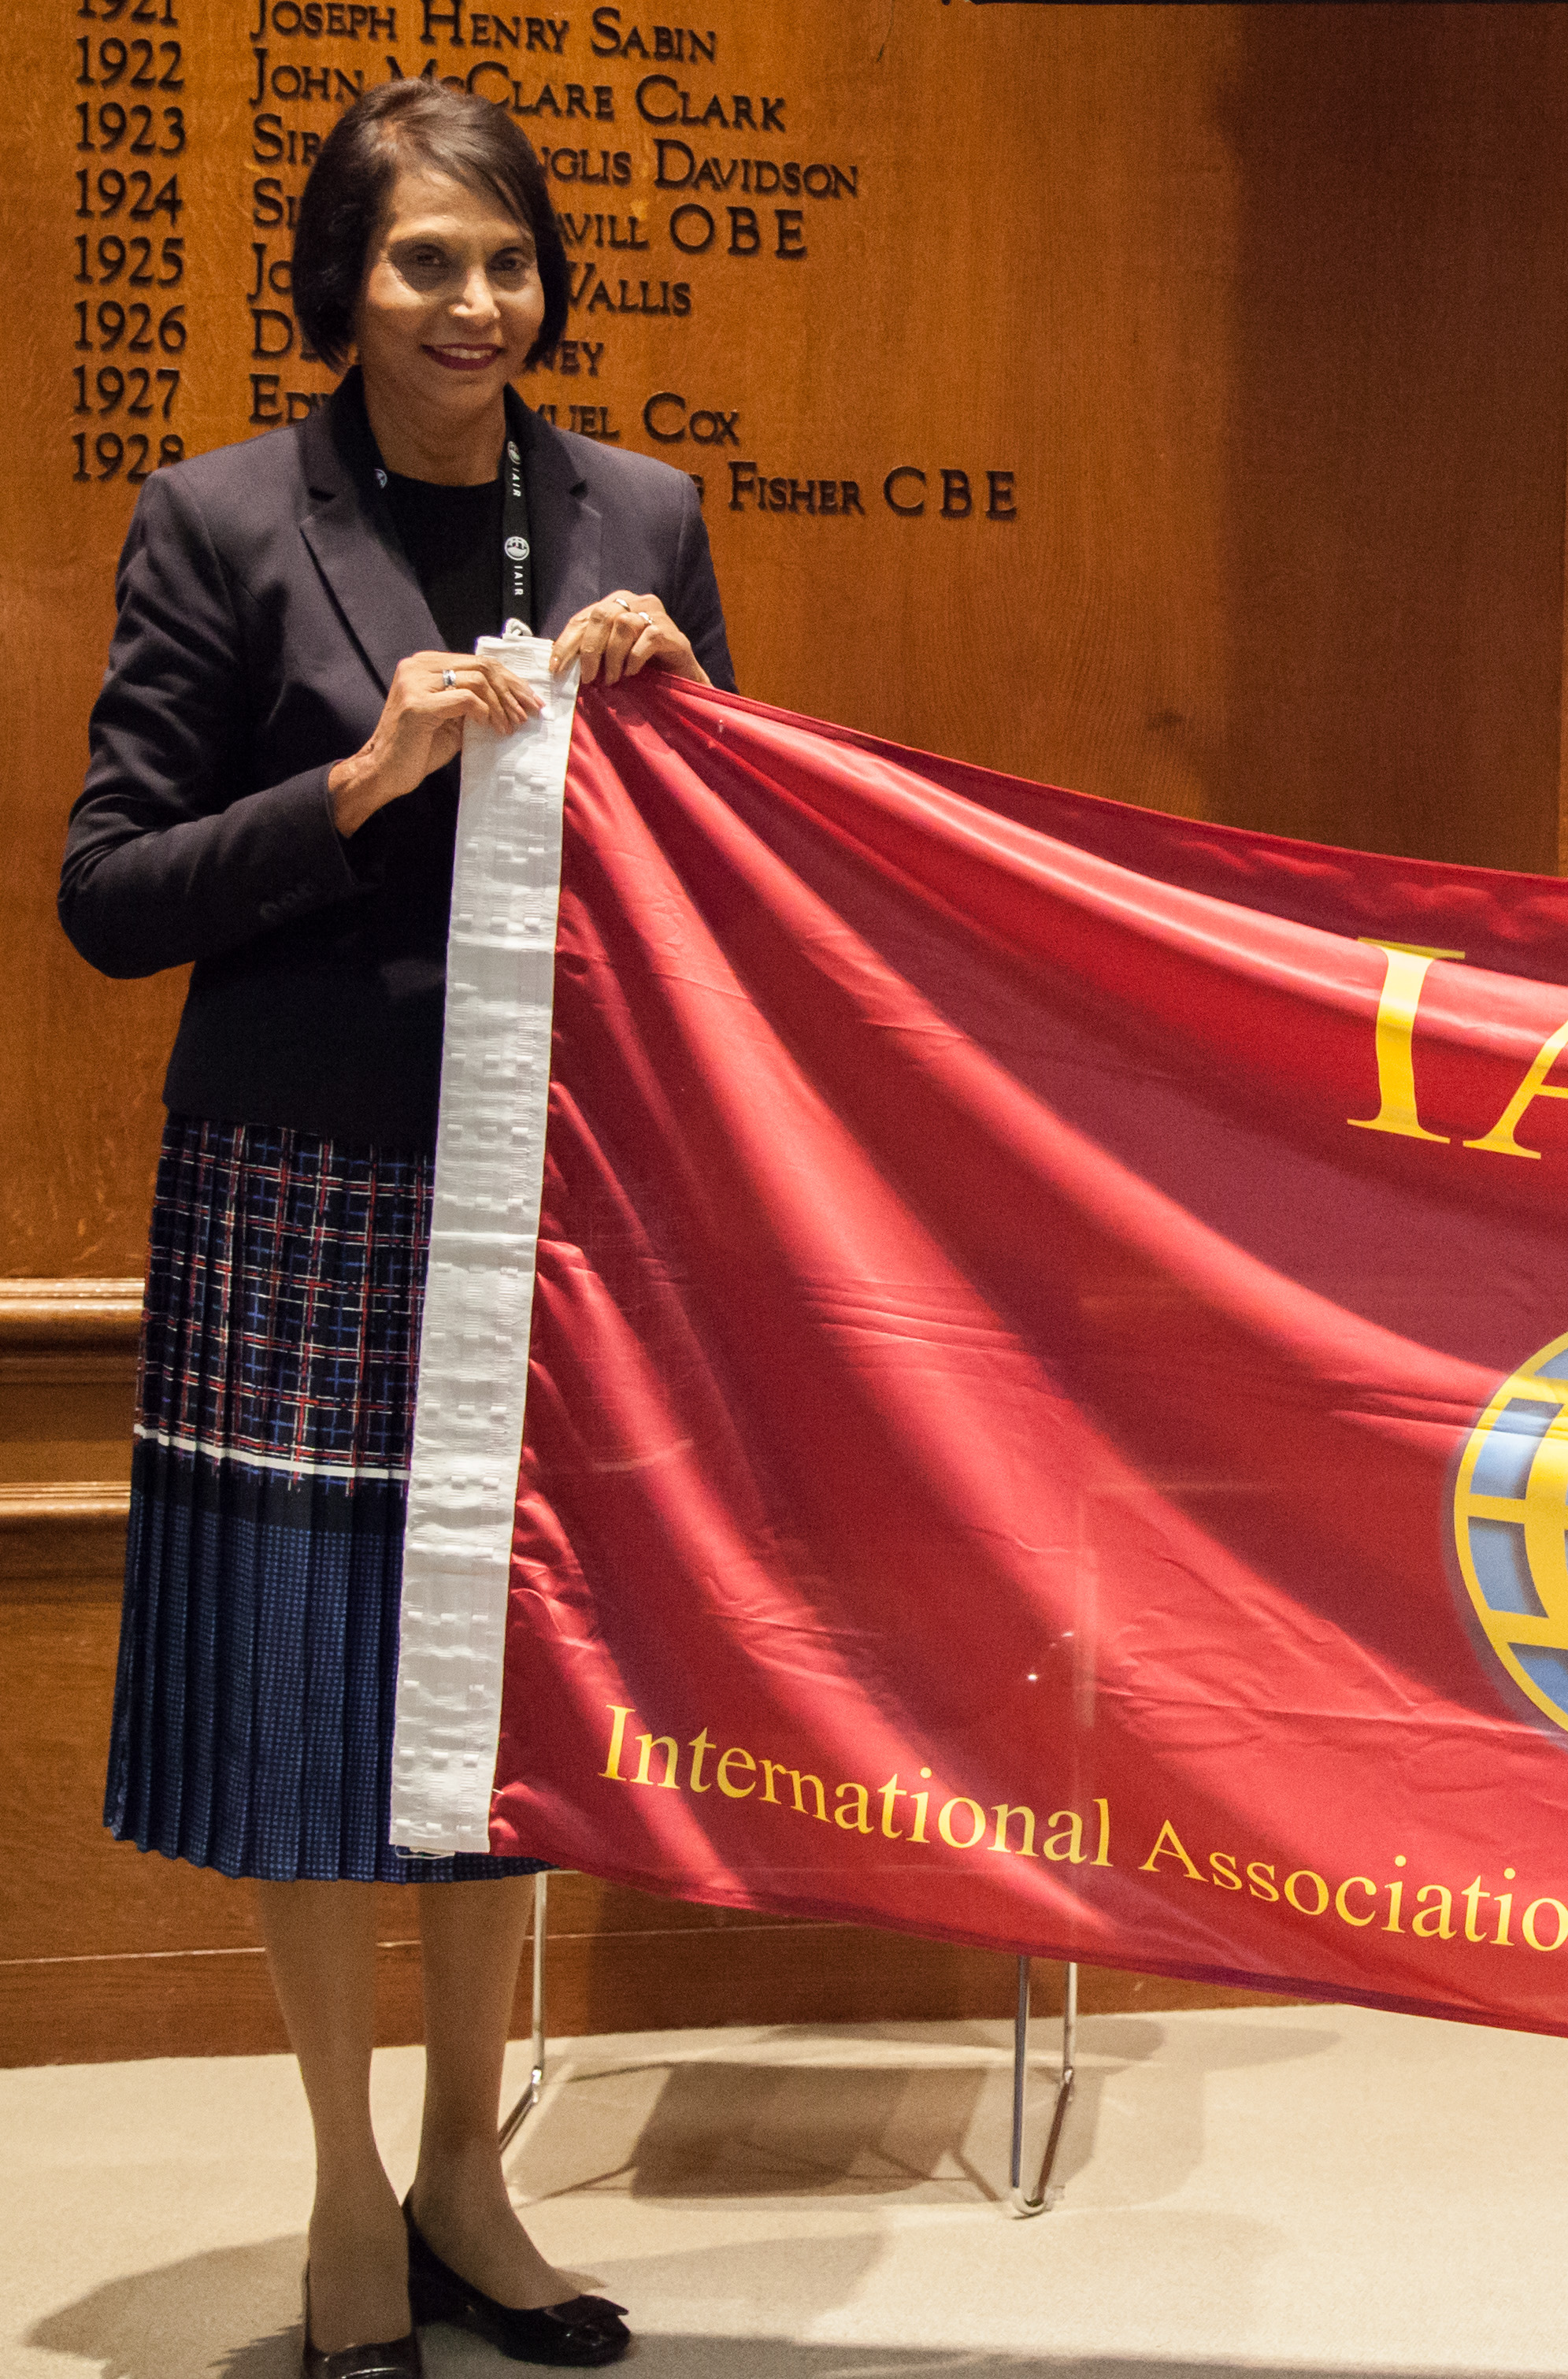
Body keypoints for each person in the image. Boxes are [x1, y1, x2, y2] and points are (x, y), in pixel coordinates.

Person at [58, 78, 732, 2379]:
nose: (473, 302)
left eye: (507, 260)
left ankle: (471, 2175)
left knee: (498, 1687)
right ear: (343, 283)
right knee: (310, 1690)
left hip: (554, 1183)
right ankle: (346, 2190)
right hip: (305, 1177)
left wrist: (680, 717)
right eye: (426, 261)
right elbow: (105, 898)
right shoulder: (225, 519)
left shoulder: (635, 506)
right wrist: (355, 785)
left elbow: (724, 868)